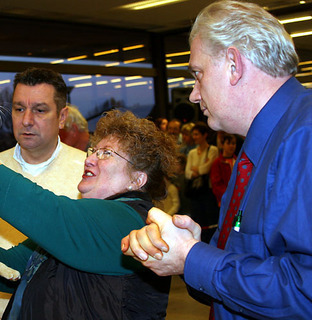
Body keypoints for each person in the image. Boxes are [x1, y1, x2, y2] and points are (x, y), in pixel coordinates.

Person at [122, 1, 312, 319]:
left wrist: (195, 258)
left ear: (234, 65)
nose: (194, 94)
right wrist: (192, 250)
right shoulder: (258, 148)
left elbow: (303, 291)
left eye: (198, 74)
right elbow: (257, 268)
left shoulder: (304, 137)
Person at [0, 108, 177, 319]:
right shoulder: (81, 228)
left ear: (137, 179)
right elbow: (6, 270)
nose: (90, 158)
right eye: (93, 150)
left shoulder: (130, 222)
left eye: (106, 154)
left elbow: (38, 206)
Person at [0, 67, 86, 320]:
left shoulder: (88, 174)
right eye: (19, 108)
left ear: (62, 117)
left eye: (40, 110)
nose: (26, 120)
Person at [185, 121, 219, 239]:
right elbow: (187, 173)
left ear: (204, 135)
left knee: (209, 220)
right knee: (196, 218)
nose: (194, 137)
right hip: (195, 191)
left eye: (197, 134)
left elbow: (207, 169)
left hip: (207, 190)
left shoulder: (213, 150)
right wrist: (198, 169)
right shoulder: (192, 152)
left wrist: (197, 169)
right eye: (193, 134)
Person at [210, 133, 237, 206]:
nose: (231, 146)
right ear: (222, 145)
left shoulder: (238, 161)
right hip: (224, 199)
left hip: (238, 198)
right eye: (228, 143)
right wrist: (228, 195)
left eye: (233, 143)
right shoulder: (217, 162)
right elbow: (216, 184)